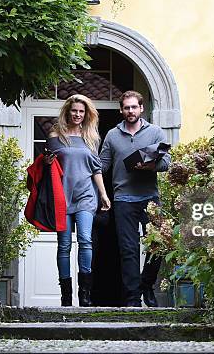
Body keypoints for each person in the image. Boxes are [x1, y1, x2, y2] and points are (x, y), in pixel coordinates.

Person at [100, 90, 171, 307]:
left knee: (159, 245)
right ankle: (132, 298)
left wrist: (151, 165)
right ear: (121, 110)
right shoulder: (112, 135)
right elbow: (102, 165)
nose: (130, 111)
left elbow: (166, 163)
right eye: (126, 107)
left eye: (134, 107)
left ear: (141, 108)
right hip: (123, 199)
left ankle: (147, 285)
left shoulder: (156, 132)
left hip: (150, 197)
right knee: (128, 250)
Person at [45, 94, 111, 307]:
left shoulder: (91, 137)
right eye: (74, 110)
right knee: (64, 245)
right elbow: (49, 165)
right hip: (62, 197)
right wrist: (46, 161)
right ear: (67, 111)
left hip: (85, 196)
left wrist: (103, 194)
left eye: (82, 111)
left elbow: (96, 168)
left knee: (85, 240)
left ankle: (85, 295)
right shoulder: (55, 136)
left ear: (86, 114)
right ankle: (66, 296)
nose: (78, 114)